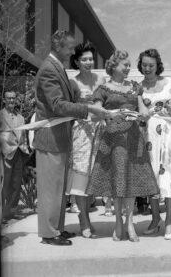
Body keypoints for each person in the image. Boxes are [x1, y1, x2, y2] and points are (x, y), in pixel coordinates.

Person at [33, 30, 107, 246]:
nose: (73, 51)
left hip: (61, 137)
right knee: (50, 189)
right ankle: (49, 234)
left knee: (58, 188)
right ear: (58, 47)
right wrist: (88, 109)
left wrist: (88, 104)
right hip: (50, 137)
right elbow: (56, 105)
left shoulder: (58, 68)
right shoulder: (49, 69)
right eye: (70, 47)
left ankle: (57, 228)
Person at [86, 50, 159, 242]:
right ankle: (118, 221)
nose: (128, 68)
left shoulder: (135, 87)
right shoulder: (104, 88)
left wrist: (145, 114)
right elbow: (94, 114)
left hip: (134, 137)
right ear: (113, 65)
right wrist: (110, 113)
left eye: (128, 65)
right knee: (118, 180)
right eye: (125, 64)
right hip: (113, 138)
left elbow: (142, 109)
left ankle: (129, 223)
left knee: (131, 180)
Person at [138, 48, 171, 240]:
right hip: (149, 136)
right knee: (152, 177)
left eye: (151, 65)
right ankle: (154, 218)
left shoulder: (170, 83)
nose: (148, 68)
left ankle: (169, 220)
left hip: (168, 134)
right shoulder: (139, 87)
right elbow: (141, 114)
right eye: (144, 65)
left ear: (157, 65)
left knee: (168, 176)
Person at [64, 41, 106, 239]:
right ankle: (84, 218)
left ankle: (87, 214)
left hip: (101, 130)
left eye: (90, 59)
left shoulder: (102, 79)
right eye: (84, 59)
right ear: (77, 62)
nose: (88, 62)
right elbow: (68, 107)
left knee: (95, 174)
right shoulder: (72, 83)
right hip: (81, 131)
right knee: (81, 175)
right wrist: (84, 105)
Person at [0, 90, 30, 220]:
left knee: (16, 183)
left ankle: (11, 211)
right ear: (4, 100)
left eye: (13, 98)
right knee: (4, 183)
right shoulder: (0, 115)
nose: (11, 101)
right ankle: (2, 213)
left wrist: (27, 148)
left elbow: (23, 135)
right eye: (9, 98)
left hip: (18, 152)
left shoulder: (21, 117)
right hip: (4, 153)